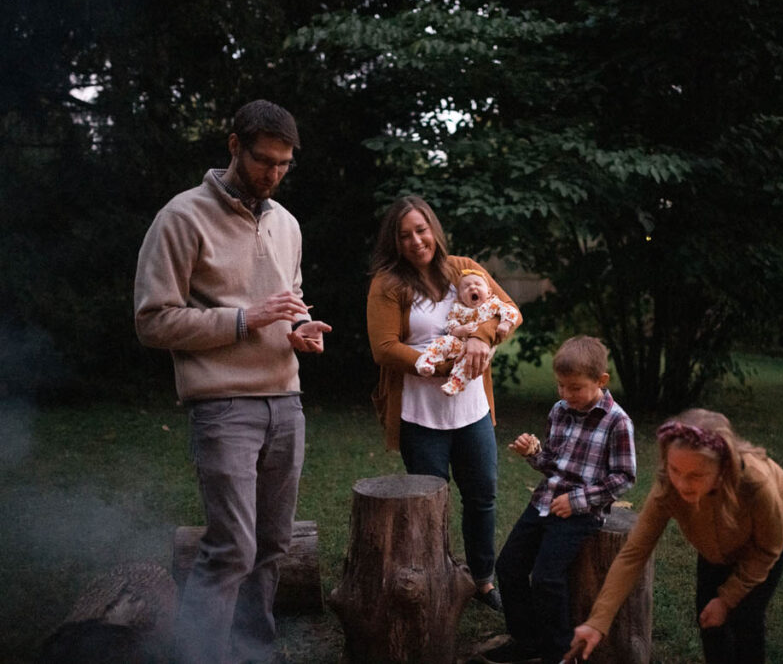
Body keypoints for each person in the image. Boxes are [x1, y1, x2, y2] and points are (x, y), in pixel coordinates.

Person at [134, 99, 331, 664]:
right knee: (231, 548)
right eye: (264, 161)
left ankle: (253, 649)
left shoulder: (286, 223)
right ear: (233, 146)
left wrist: (298, 329)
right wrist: (246, 319)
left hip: (285, 400)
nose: (273, 174)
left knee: (272, 544)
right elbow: (152, 321)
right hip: (222, 405)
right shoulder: (182, 217)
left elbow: (285, 304)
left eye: (284, 165)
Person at [366, 195, 520, 611]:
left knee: (482, 495)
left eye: (421, 230)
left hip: (471, 408)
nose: (417, 241)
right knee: (429, 502)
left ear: (434, 229)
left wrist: (479, 336)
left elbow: (507, 310)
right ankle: (435, 576)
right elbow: (383, 348)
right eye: (405, 235)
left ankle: (483, 580)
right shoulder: (387, 283)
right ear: (394, 242)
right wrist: (431, 365)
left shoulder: (462, 269)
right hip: (420, 411)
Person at [570, 409, 783, 664]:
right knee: (708, 616)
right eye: (675, 470)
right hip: (714, 540)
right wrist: (598, 620)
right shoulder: (668, 488)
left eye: (695, 475)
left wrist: (726, 599)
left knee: (746, 616)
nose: (682, 484)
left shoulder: (757, 485)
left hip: (763, 540)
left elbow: (767, 550)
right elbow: (634, 554)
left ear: (723, 468)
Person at [481, 336, 636, 664]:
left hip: (581, 512)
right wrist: (533, 453)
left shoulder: (617, 422)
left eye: (575, 388)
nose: (566, 395)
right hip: (543, 501)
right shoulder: (560, 411)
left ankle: (560, 653)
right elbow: (552, 462)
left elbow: (624, 477)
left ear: (601, 381)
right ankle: (526, 640)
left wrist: (577, 501)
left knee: (547, 578)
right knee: (508, 566)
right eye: (560, 387)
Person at [415, 268, 520, 396]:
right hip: (458, 343)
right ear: (460, 296)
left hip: (476, 349)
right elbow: (450, 324)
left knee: (469, 362)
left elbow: (511, 311)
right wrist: (459, 330)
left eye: (477, 284)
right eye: (466, 286)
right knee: (442, 342)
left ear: (489, 292)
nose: (472, 287)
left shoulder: (492, 304)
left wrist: (505, 323)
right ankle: (427, 362)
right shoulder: (458, 308)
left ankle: (455, 384)